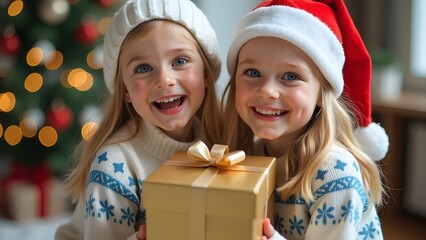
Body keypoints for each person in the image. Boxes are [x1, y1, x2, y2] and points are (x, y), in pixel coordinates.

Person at [55, 0, 222, 239]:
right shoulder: (113, 164)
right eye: (143, 68)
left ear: (205, 73)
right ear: (125, 91)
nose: (164, 79)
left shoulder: (221, 143)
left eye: (180, 61)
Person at [222, 0, 389, 239]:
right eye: (252, 72)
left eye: (291, 76)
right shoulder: (251, 155)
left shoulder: (335, 173)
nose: (268, 90)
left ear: (321, 93)